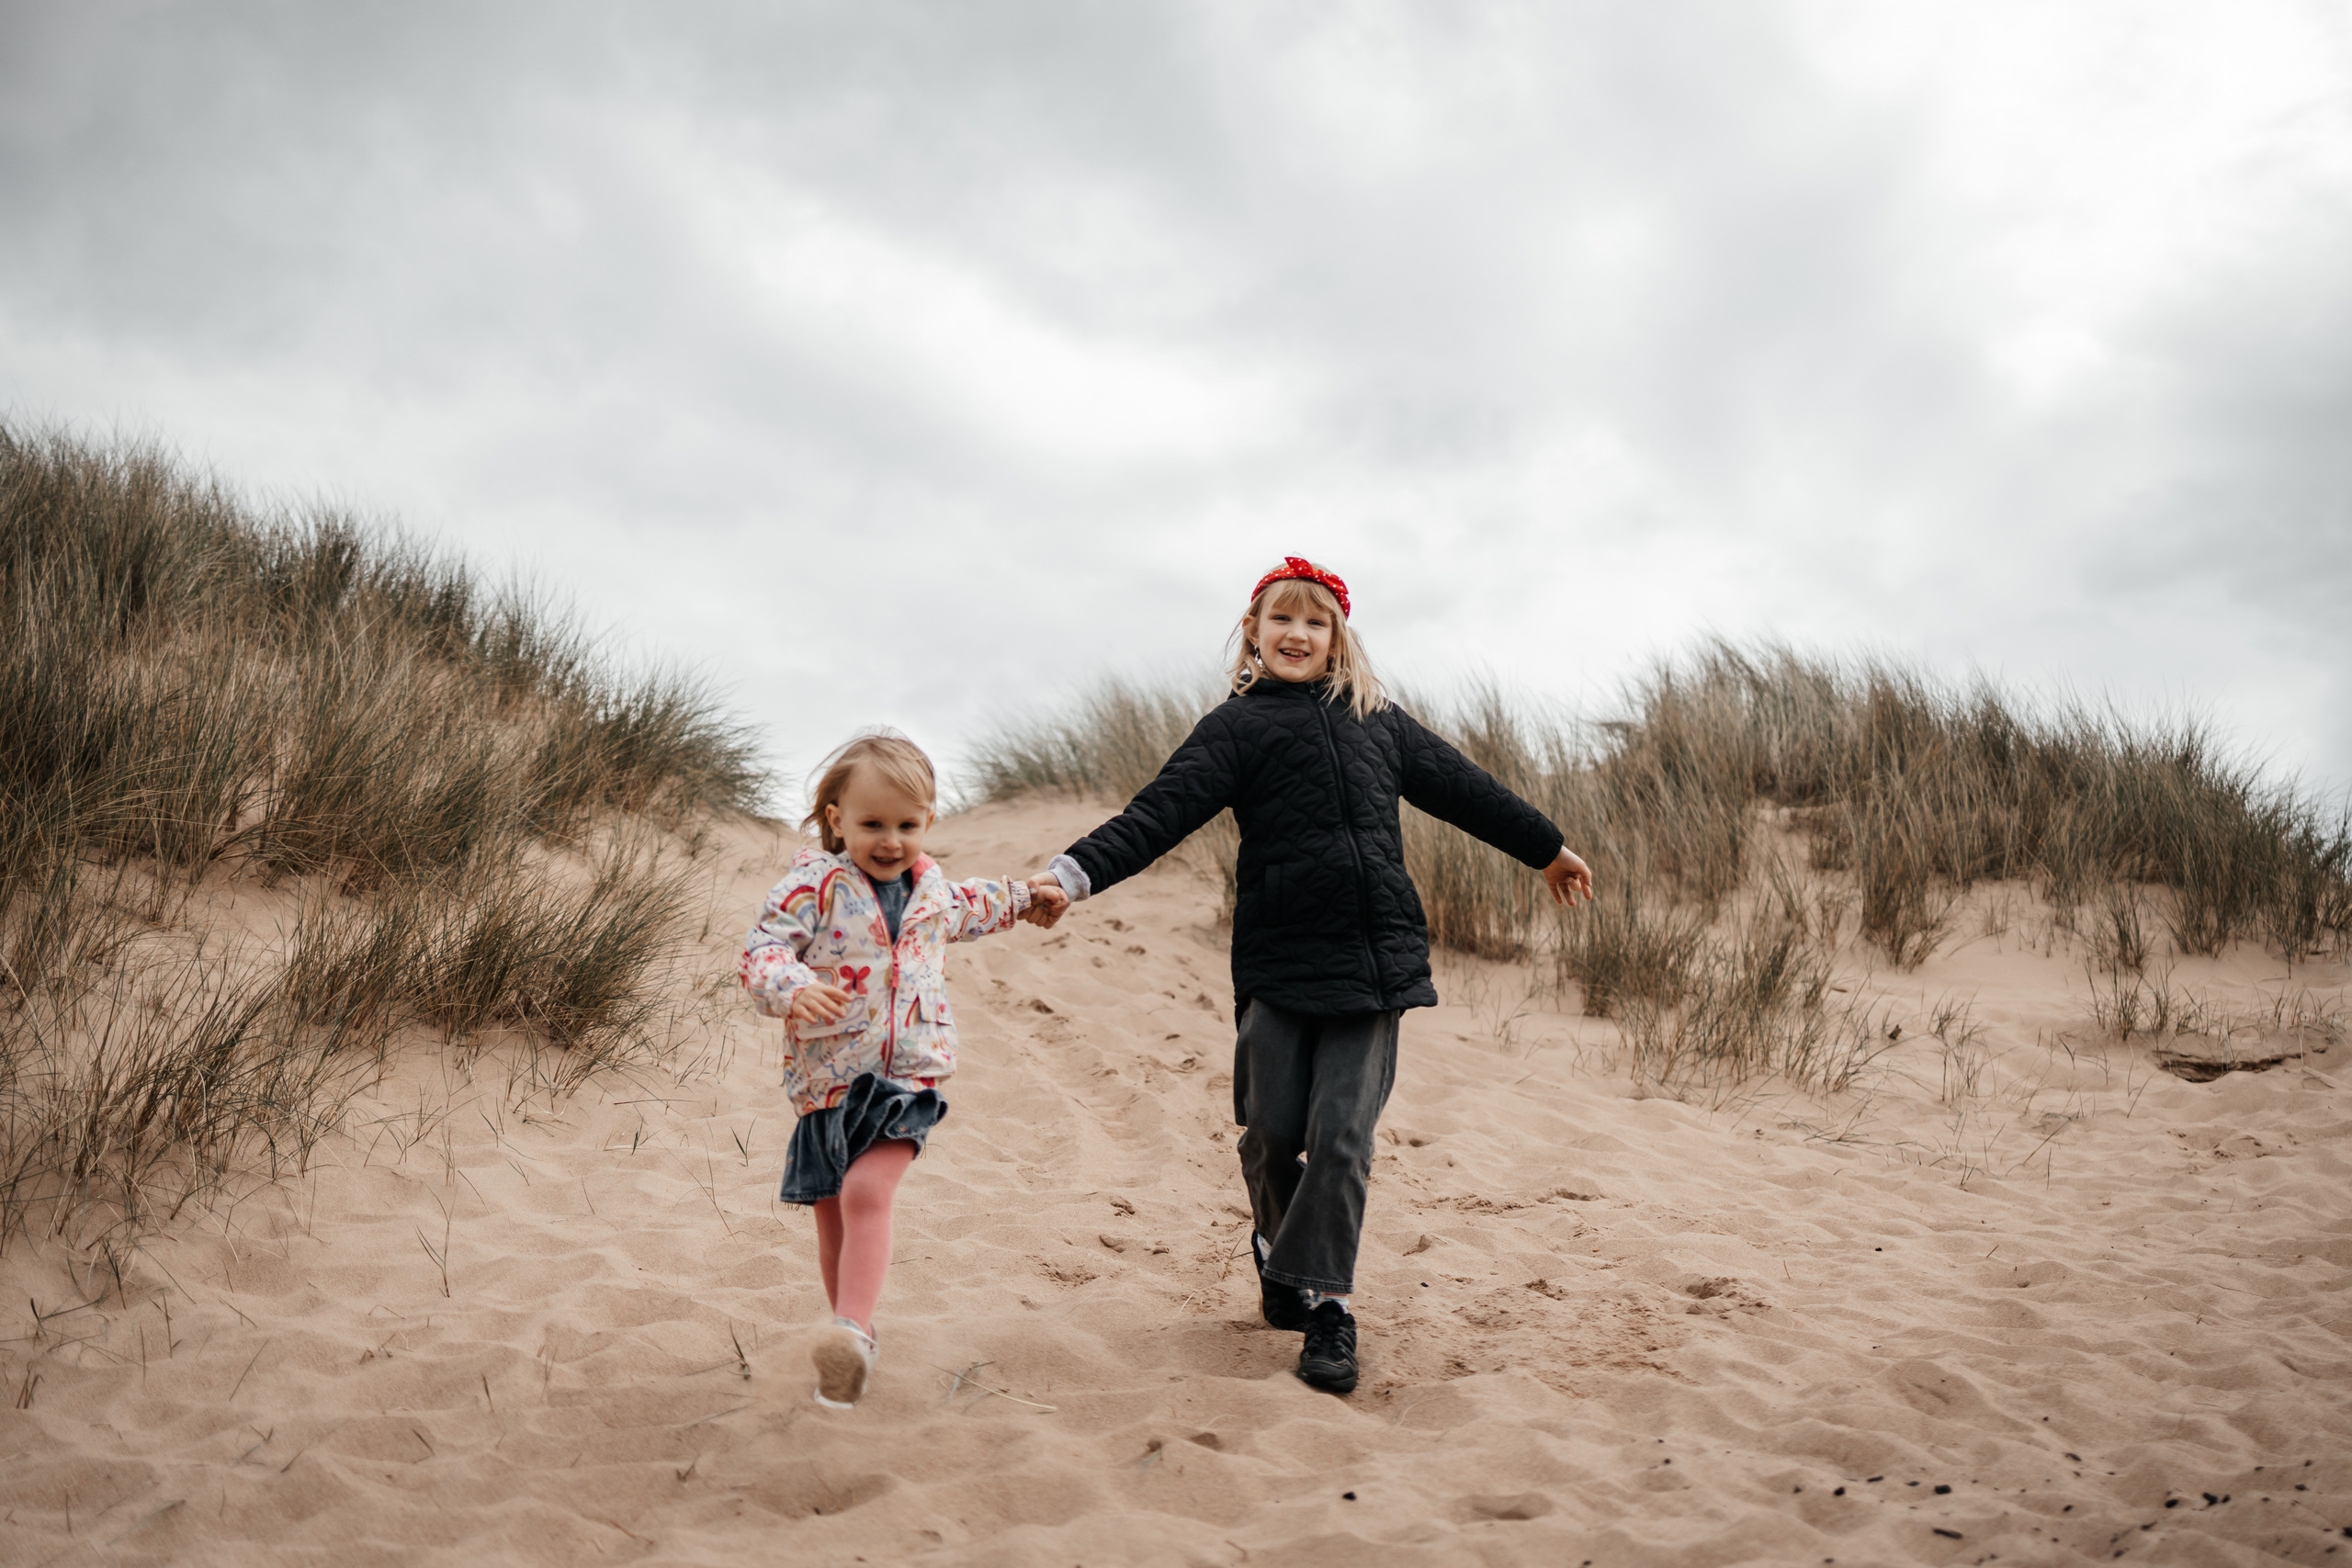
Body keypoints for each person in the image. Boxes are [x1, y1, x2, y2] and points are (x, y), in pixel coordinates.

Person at [1029, 557, 1592, 1395]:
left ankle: (1329, 1305)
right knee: (1269, 1134)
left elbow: (1468, 790)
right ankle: (1275, 1249)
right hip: (1279, 963)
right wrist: (1072, 876)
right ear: (1253, 632)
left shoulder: (1380, 721)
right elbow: (1158, 813)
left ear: (1339, 638)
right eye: (1281, 620)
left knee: (1340, 1138)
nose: (1298, 634)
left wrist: (1546, 847)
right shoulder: (1236, 727)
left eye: (1315, 622)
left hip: (1375, 966)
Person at [741, 732, 1068, 1409]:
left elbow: (983, 902)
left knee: (866, 1191)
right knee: (832, 1212)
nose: (890, 840)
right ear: (836, 819)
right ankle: (850, 1343)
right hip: (827, 1073)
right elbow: (765, 948)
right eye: (871, 824)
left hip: (907, 1076)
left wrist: (1030, 897)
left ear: (928, 821)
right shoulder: (813, 887)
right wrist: (793, 985)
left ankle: (852, 1327)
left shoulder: (932, 890)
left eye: (907, 825)